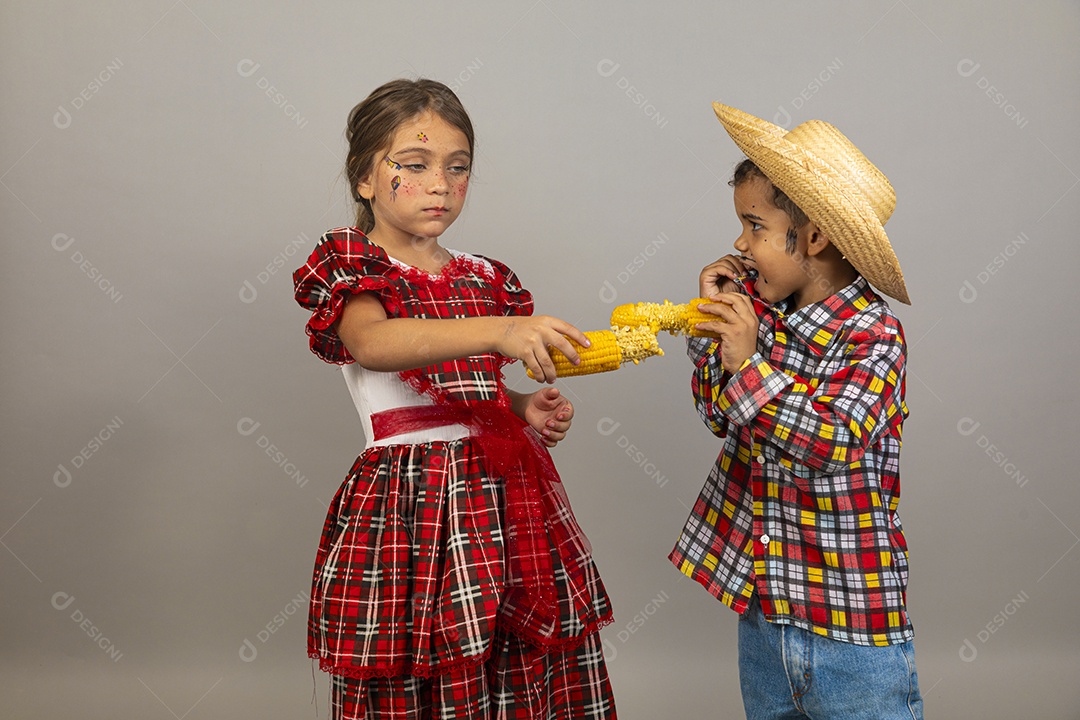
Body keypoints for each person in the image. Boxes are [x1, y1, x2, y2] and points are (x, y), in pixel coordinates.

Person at [293, 79, 615, 720]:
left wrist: (519, 407)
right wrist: (499, 332)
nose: (439, 184)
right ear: (365, 178)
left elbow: (465, 391)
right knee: (427, 649)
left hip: (501, 495)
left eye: (457, 166)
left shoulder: (484, 276)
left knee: (511, 646)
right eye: (414, 165)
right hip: (414, 501)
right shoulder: (359, 266)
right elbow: (374, 344)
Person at [670, 102, 923, 719]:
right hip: (767, 612)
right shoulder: (762, 317)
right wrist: (713, 334)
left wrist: (748, 366)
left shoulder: (874, 336)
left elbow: (832, 442)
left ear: (814, 238)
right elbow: (719, 417)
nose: (739, 243)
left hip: (850, 625)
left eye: (754, 226)